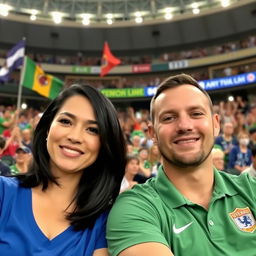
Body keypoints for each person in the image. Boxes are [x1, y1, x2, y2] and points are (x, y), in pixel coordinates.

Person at [107, 73, 256, 256]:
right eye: (169, 118)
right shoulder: (134, 208)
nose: (185, 125)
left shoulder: (251, 189)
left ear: (215, 124)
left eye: (196, 114)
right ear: (152, 133)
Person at [0, 84, 126, 256]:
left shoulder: (106, 222)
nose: (74, 137)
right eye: (66, 121)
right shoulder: (3, 192)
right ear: (47, 128)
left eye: (92, 130)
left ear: (105, 145)